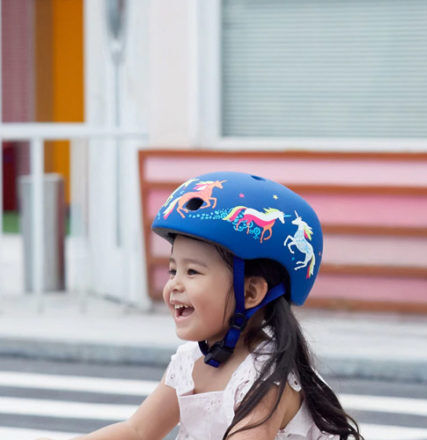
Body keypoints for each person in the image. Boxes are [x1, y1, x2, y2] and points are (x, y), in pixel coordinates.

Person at [38, 171, 362, 440]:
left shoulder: (263, 381)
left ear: (251, 293)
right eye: (173, 270)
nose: (174, 284)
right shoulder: (190, 363)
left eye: (192, 271)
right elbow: (138, 431)